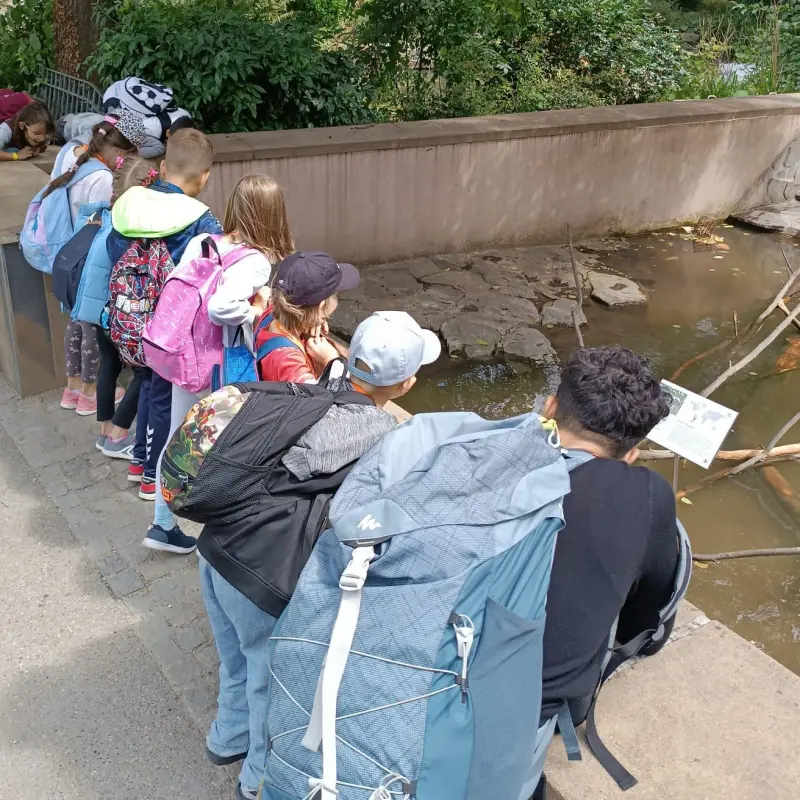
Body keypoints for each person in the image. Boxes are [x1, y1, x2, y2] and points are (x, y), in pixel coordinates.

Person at [197, 310, 440, 800]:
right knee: (268, 678)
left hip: (216, 542)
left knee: (235, 656)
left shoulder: (308, 393)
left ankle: (227, 736)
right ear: (407, 384)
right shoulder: (384, 439)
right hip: (260, 575)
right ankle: (256, 779)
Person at [533, 345, 679, 798]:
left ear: (549, 408)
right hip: (529, 704)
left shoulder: (482, 449)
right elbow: (650, 613)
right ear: (633, 451)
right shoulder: (647, 492)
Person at [146, 174, 294, 552]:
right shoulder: (255, 261)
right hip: (220, 366)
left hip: (186, 357)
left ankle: (162, 523)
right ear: (273, 215)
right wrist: (253, 311)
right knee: (229, 445)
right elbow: (220, 307)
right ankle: (228, 530)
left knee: (177, 435)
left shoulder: (203, 242)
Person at [107, 128, 222, 552]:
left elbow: (114, 254)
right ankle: (159, 500)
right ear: (204, 176)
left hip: (129, 325)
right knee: (167, 413)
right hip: (173, 339)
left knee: (149, 396)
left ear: (161, 166)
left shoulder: (129, 205)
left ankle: (141, 466)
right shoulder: (200, 220)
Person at [49, 112, 147, 416]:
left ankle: (72, 388)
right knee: (91, 329)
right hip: (93, 263)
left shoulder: (77, 160)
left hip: (73, 256)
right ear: (119, 150)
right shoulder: (103, 178)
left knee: (75, 324)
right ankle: (90, 393)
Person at [95, 157, 160, 458]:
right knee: (145, 375)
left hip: (108, 313)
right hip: (135, 317)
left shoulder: (110, 224)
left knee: (108, 365)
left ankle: (105, 431)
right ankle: (120, 434)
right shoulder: (142, 230)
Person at [255, 251, 361, 384]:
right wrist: (331, 362)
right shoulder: (288, 362)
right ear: (321, 306)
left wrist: (311, 319)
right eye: (335, 294)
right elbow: (315, 395)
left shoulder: (275, 311)